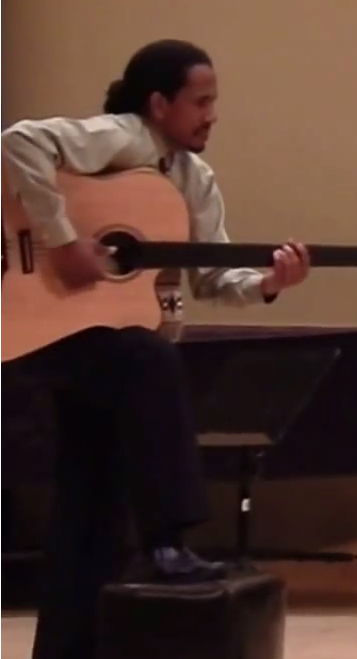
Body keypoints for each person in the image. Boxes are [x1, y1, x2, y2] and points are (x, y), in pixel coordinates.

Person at [1, 39, 312, 659]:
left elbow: (212, 278)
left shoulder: (195, 180)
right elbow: (17, 141)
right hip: (41, 326)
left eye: (213, 102)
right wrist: (63, 241)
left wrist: (269, 283)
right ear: (159, 104)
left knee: (94, 490)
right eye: (201, 101)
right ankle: (167, 537)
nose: (211, 115)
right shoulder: (120, 137)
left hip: (91, 336)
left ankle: (67, 646)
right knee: (148, 358)